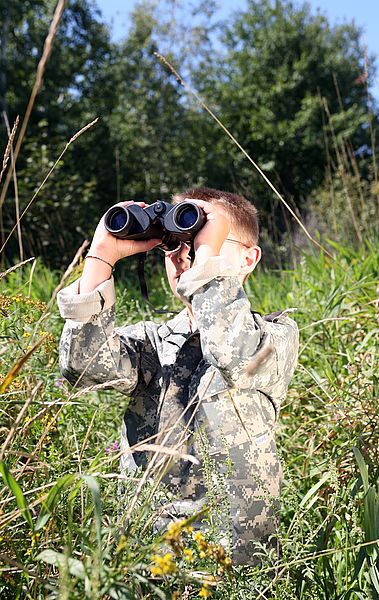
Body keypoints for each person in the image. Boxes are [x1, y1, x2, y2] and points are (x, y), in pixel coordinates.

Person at [57, 187, 299, 566]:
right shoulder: (151, 341)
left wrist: (207, 261)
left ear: (249, 258)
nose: (185, 254)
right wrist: (101, 256)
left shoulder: (273, 337)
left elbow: (231, 355)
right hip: (146, 554)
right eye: (174, 245)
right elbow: (85, 370)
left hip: (237, 557)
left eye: (201, 240)